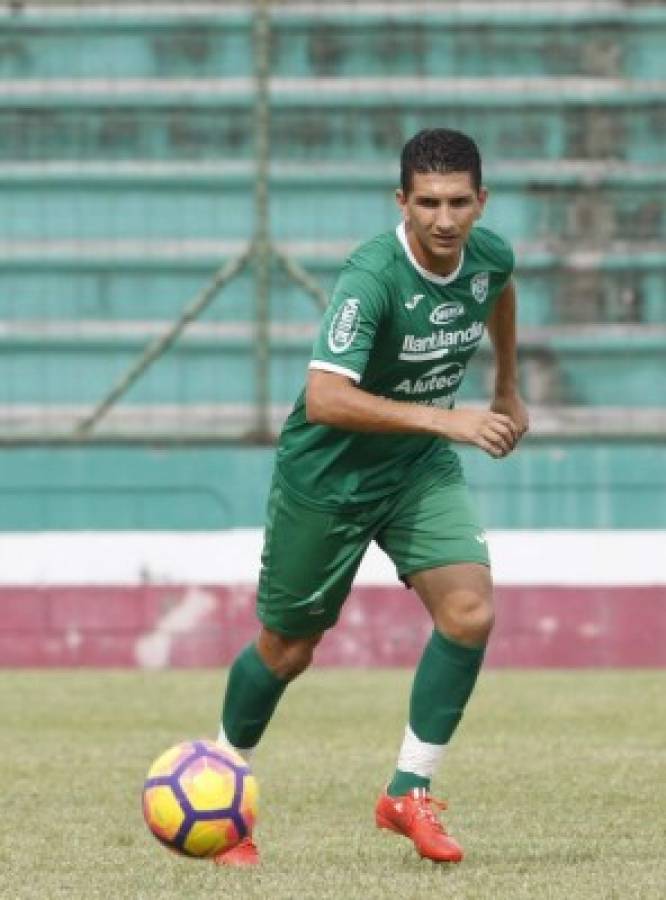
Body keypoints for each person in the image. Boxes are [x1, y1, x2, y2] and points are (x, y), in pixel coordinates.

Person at [214, 128, 529, 866]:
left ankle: (407, 792)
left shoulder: (490, 255)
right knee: (289, 649)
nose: (444, 220)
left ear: (481, 201)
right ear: (402, 202)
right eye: (428, 203)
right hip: (330, 477)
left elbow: (501, 290)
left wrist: (507, 385)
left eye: (458, 202)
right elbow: (325, 398)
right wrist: (444, 418)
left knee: (470, 611)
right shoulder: (372, 277)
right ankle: (224, 785)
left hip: (417, 470)